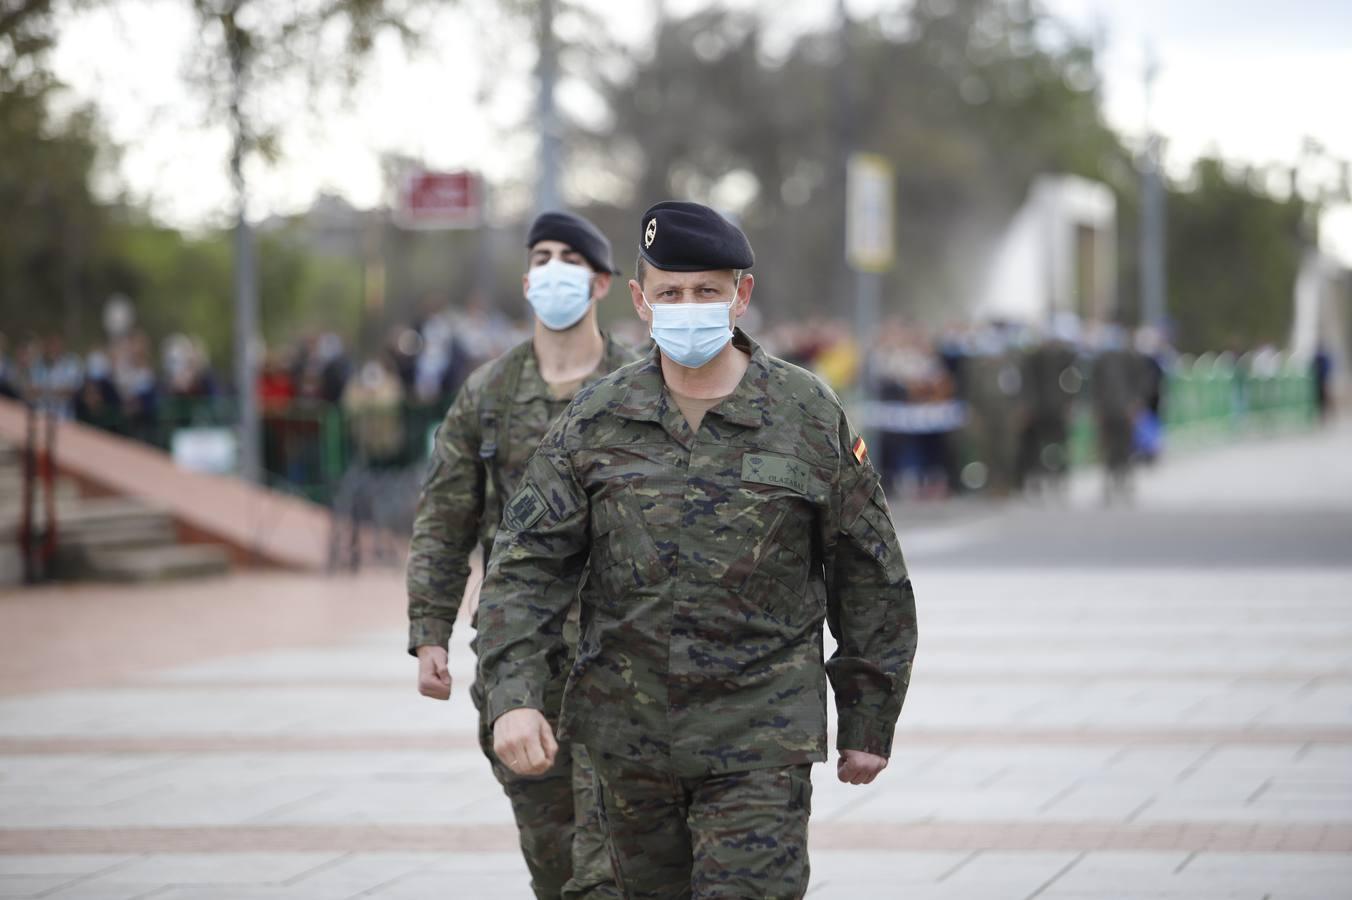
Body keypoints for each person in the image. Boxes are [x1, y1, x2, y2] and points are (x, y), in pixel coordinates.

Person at [477, 201, 918, 899]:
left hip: (759, 739)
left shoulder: (806, 415)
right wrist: (514, 694)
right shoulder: (594, 421)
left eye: (707, 291)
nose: (688, 307)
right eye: (671, 293)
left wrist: (868, 716)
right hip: (624, 745)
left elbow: (869, 574)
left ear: (741, 294)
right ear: (640, 301)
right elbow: (524, 566)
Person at [406, 210, 633, 900]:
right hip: (524, 664)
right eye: (541, 257)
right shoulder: (490, 394)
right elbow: (446, 519)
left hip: (629, 661)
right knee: (556, 864)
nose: (552, 269)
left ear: (599, 284)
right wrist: (429, 634)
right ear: (529, 280)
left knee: (613, 870)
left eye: (570, 258)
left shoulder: (639, 385)